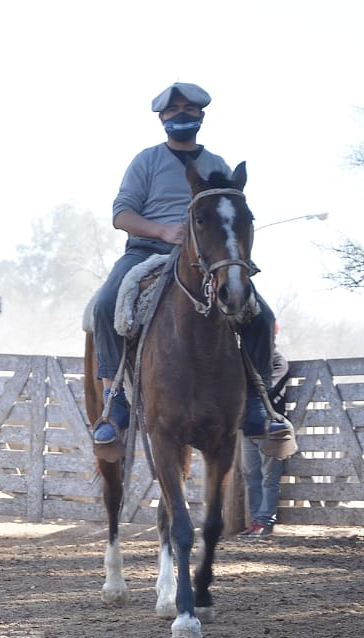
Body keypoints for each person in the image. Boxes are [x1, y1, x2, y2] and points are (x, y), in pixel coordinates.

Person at [89, 82, 285, 448]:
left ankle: (258, 403)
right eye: (174, 110)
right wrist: (163, 230)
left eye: (189, 109)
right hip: (147, 250)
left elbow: (231, 218)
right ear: (162, 117)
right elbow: (122, 215)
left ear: (201, 115)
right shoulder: (146, 161)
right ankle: (113, 400)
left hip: (205, 259)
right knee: (104, 305)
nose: (182, 114)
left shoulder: (217, 165)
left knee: (261, 315)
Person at [239, 331, 291, 538]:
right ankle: (255, 520)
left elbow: (265, 389)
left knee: (269, 477)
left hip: (271, 430)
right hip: (249, 428)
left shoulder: (278, 362)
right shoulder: (248, 361)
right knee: (251, 476)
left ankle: (265, 521)